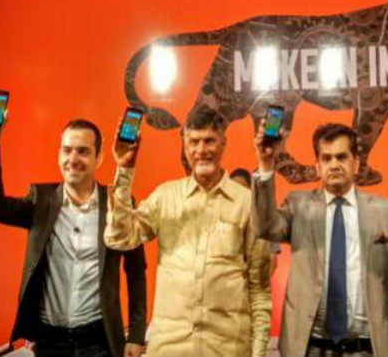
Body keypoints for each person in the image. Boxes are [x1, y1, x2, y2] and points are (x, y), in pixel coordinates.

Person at [0, 108, 147, 357]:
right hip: (49, 343)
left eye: (83, 151)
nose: (73, 158)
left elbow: (136, 271)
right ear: (59, 155)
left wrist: (137, 334)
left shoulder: (118, 204)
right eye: (67, 150)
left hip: (99, 342)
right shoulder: (41, 201)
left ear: (99, 158)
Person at [105, 106, 272, 357]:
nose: (201, 150)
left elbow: (259, 290)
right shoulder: (165, 197)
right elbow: (119, 238)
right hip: (169, 349)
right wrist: (125, 171)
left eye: (209, 141)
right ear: (184, 147)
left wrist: (258, 354)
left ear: (223, 143)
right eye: (194, 142)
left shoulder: (248, 204)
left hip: (227, 350)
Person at [252, 122, 388, 357]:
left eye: (341, 157)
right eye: (326, 158)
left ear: (356, 163)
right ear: (317, 166)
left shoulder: (385, 211)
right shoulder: (298, 205)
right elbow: (265, 227)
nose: (334, 165)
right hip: (310, 347)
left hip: (367, 348)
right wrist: (265, 165)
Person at [231, 167, 281, 276]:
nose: (238, 194)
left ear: (251, 191)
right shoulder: (220, 217)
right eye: (234, 189)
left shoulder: (265, 219)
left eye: (242, 189)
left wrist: (257, 284)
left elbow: (272, 260)